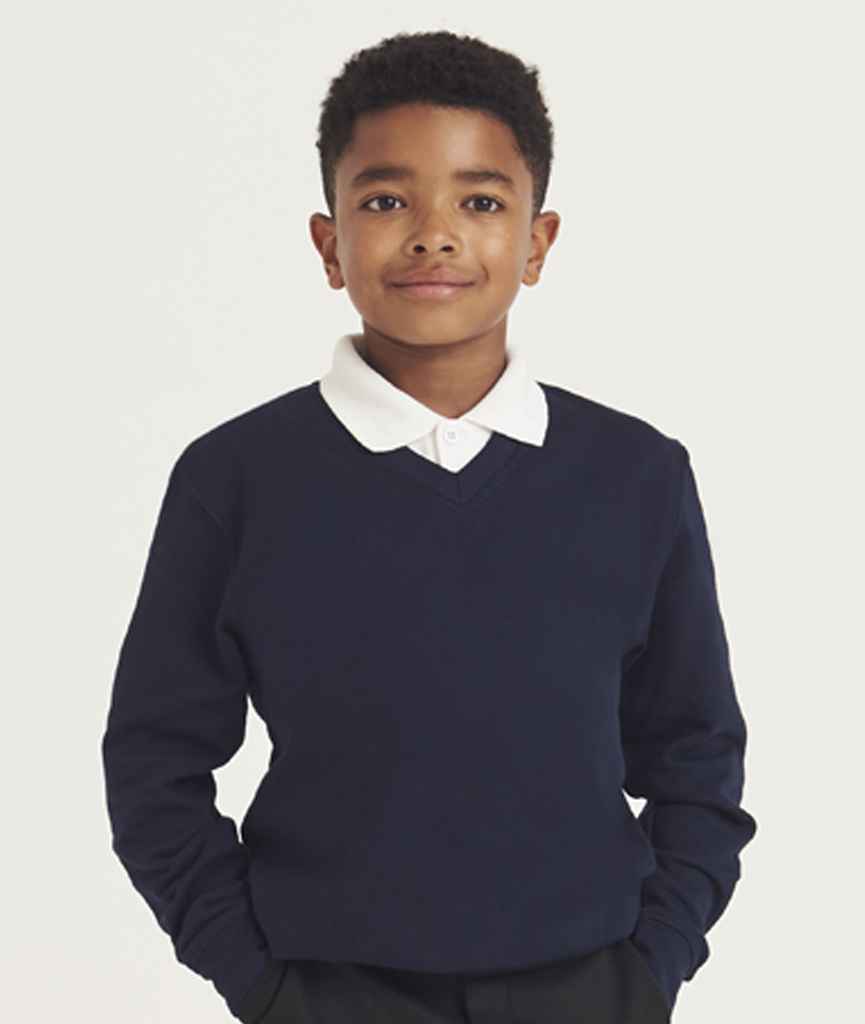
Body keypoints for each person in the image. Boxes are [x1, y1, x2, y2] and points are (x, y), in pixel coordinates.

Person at [101, 29, 757, 1023]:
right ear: (329, 244)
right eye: (385, 201)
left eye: (480, 202)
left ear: (537, 242)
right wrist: (262, 982)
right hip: (326, 991)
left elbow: (696, 752)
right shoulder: (235, 479)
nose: (433, 235)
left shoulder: (637, 474)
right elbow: (154, 761)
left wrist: (647, 969)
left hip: (588, 988)